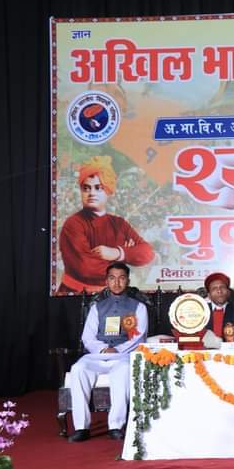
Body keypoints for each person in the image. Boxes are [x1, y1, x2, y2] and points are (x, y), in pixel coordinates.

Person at [67, 262, 148, 442]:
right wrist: (103, 348)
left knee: (123, 370)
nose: (117, 283)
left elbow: (139, 338)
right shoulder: (97, 307)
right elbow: (87, 337)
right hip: (97, 355)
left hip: (123, 356)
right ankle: (81, 427)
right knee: (78, 369)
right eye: (112, 278)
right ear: (106, 281)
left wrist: (117, 349)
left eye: (121, 278)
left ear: (128, 281)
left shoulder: (138, 307)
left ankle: (115, 426)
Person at [58, 155, 154, 294]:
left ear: (108, 191)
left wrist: (116, 253)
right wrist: (128, 257)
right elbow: (86, 268)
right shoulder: (73, 223)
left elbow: (147, 253)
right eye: (86, 188)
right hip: (78, 295)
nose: (91, 193)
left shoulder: (119, 223)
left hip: (114, 296)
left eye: (98, 188)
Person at [203, 272, 234, 342]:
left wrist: (231, 341)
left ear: (228, 292)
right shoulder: (201, 311)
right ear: (209, 295)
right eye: (214, 288)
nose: (219, 291)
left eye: (222, 287)